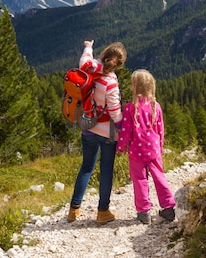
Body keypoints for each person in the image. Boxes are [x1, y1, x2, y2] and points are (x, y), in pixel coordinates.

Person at [67, 40, 127, 225]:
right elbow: (115, 112)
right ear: (119, 64)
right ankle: (103, 212)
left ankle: (74, 210)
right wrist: (125, 128)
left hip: (88, 127)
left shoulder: (90, 68)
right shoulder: (110, 82)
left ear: (104, 55)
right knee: (106, 170)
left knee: (86, 168)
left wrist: (87, 46)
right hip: (107, 133)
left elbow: (84, 59)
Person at [116, 69, 176, 224]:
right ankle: (168, 208)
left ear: (135, 87)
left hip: (137, 151)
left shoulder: (130, 107)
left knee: (140, 180)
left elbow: (126, 130)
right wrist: (160, 148)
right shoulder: (156, 106)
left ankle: (144, 212)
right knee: (159, 176)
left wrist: (121, 147)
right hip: (154, 150)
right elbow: (160, 130)